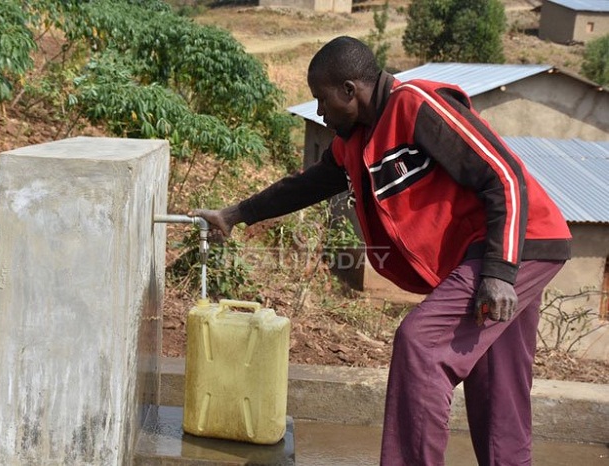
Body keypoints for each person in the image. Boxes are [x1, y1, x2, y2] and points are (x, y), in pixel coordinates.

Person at [193, 36, 571, 466]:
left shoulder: (415, 105)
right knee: (496, 380)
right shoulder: (355, 142)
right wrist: (236, 213)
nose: (319, 111)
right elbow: (306, 186)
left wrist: (500, 273)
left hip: (516, 244)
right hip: (490, 254)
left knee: (421, 345)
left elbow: (503, 175)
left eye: (322, 100)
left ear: (350, 91)